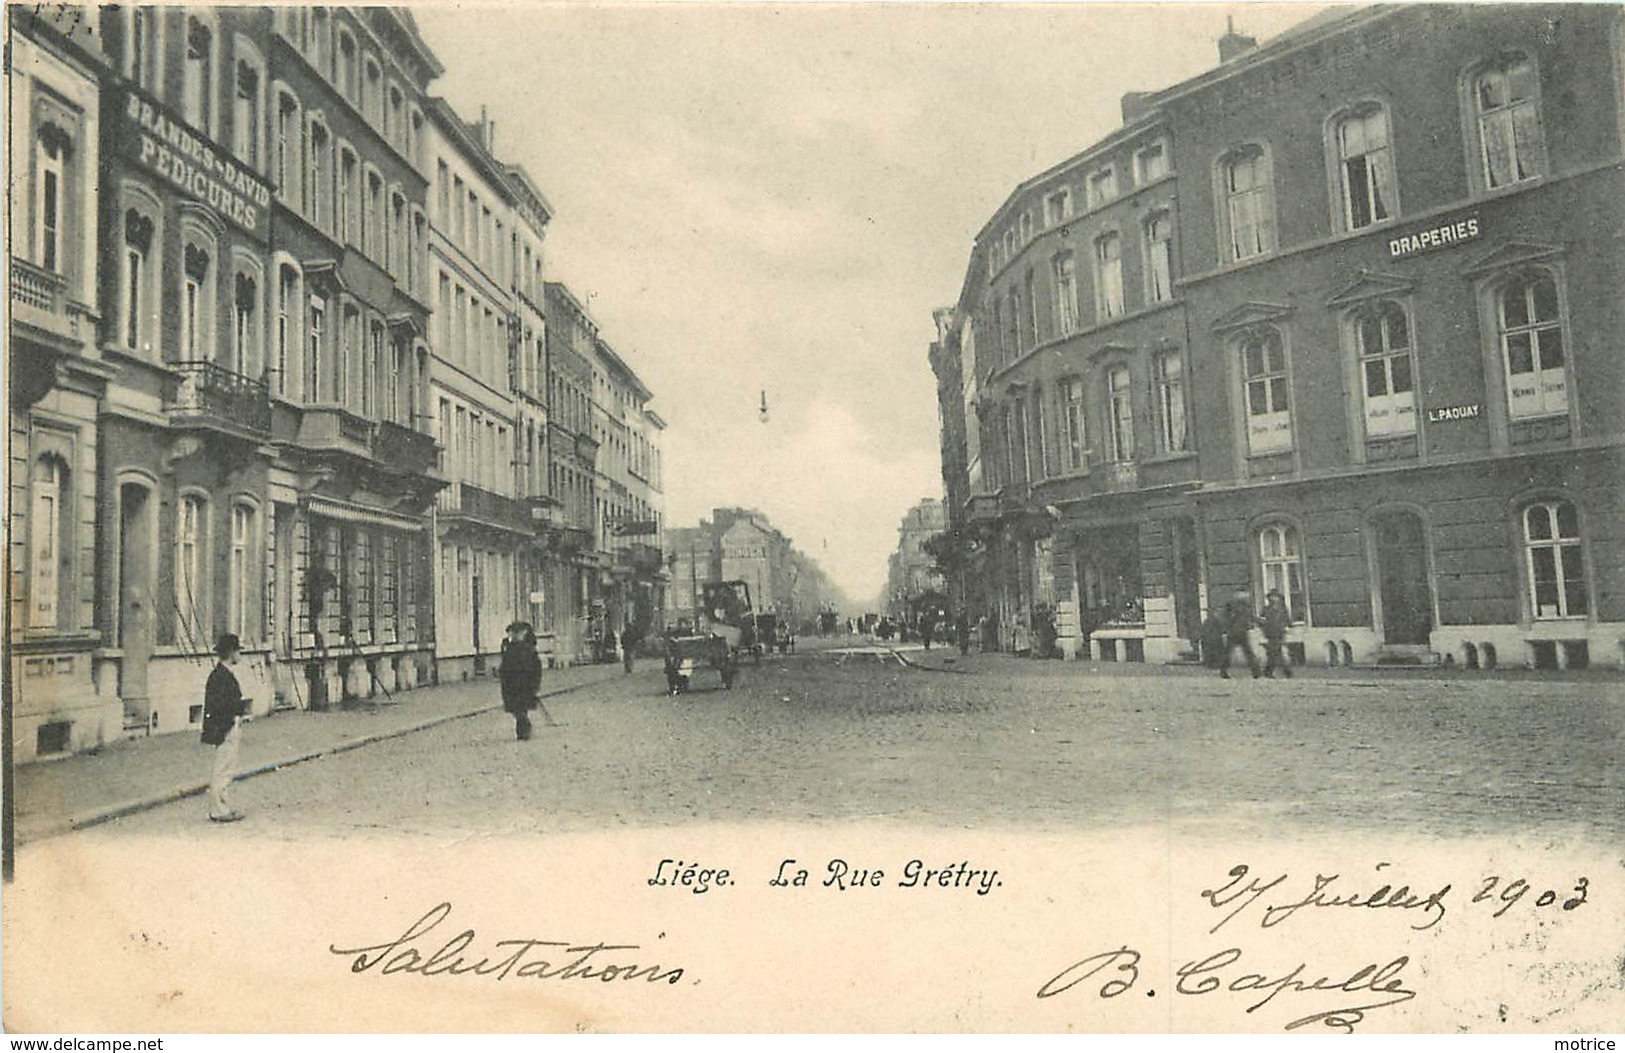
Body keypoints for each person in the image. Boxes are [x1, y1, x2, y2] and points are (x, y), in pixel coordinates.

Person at [201, 633, 249, 823]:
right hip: (225, 728)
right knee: (223, 769)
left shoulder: (222, 674)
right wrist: (231, 723)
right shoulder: (220, 676)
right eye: (238, 651)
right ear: (231, 652)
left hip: (228, 726)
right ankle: (219, 810)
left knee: (227, 768)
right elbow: (219, 705)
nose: (240, 655)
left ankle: (223, 806)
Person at [500, 621, 542, 740]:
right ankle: (524, 727)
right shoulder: (509, 648)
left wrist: (535, 684)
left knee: (521, 708)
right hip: (511, 683)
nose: (514, 635)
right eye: (513, 633)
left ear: (523, 633)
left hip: (525, 683)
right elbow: (504, 665)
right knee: (515, 708)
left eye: (517, 633)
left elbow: (536, 667)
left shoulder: (529, 649)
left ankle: (523, 731)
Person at [1219, 588, 1262, 679]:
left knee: (1248, 653)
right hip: (1233, 632)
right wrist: (1227, 627)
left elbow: (1250, 616)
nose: (1246, 596)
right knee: (1229, 653)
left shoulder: (1246, 606)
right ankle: (1223, 671)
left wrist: (1259, 621)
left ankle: (1256, 672)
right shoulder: (1231, 605)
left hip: (1242, 632)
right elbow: (1224, 617)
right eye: (1243, 594)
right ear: (1237, 595)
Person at [1260, 589, 1293, 678]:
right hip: (1270, 634)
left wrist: (1287, 627)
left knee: (1278, 653)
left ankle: (1272, 671)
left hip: (1280, 633)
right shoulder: (1266, 609)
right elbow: (1262, 621)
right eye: (1271, 597)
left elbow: (1288, 621)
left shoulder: (1282, 609)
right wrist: (1264, 630)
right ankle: (1283, 672)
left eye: (1275, 596)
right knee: (1274, 653)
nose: (1273, 598)